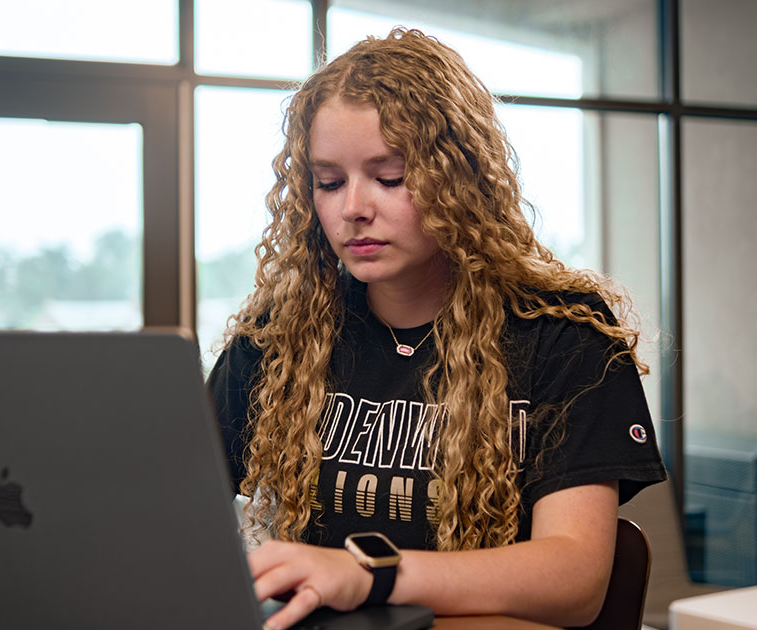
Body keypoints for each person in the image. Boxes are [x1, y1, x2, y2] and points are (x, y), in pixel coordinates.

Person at [206, 27, 667, 630]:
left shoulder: (560, 335)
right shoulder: (282, 332)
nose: (353, 209)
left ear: (459, 179)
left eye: (390, 177)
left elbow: (575, 579)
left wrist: (369, 576)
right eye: (329, 182)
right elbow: (169, 505)